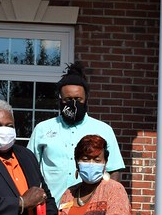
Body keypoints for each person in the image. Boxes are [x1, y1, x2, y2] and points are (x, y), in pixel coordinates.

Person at [27, 62, 125, 202]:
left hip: (89, 209)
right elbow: (30, 168)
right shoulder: (43, 129)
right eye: (68, 99)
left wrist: (109, 199)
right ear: (60, 100)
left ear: (86, 100)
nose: (73, 104)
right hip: (50, 206)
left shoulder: (104, 130)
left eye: (78, 99)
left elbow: (114, 170)